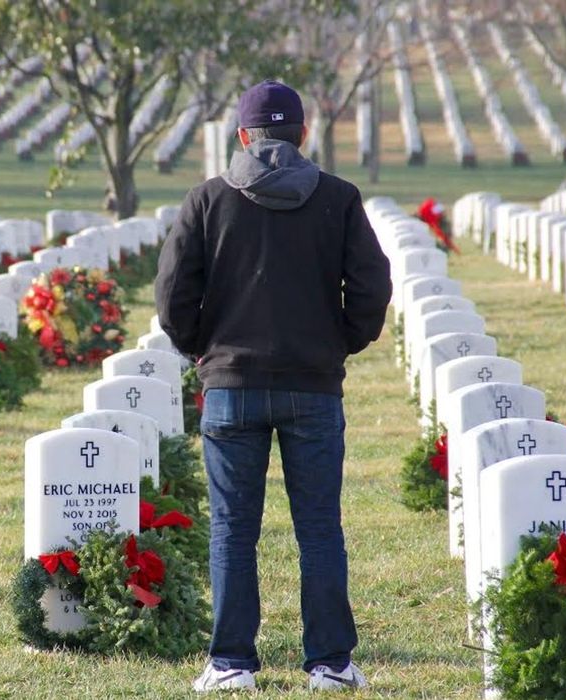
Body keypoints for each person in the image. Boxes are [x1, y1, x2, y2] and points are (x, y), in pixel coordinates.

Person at [155, 79, 392, 692]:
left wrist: (203, 352)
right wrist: (339, 343)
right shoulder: (338, 198)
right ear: (303, 135)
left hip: (231, 386)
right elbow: (371, 286)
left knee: (234, 527)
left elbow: (172, 293)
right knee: (319, 527)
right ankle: (330, 664)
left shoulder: (207, 199)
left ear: (242, 137)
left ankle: (232, 662)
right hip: (313, 387)